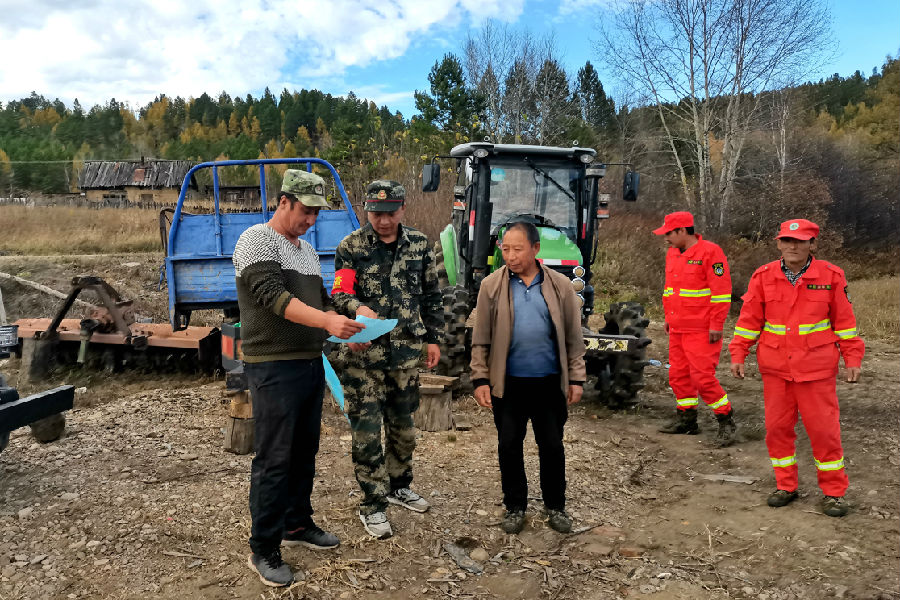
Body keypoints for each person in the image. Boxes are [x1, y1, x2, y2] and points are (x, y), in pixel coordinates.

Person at [233, 169, 364, 587]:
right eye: (306, 211)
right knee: (274, 458)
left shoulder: (306, 251)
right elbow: (274, 298)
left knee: (304, 450)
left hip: (309, 362)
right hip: (273, 365)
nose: (311, 220)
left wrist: (351, 325)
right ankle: (263, 548)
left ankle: (296, 524)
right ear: (284, 201)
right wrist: (327, 321)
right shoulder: (256, 240)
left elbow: (320, 301)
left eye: (316, 213)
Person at [330, 180, 443, 539]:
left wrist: (434, 339)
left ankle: (399, 486)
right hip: (363, 357)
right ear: (367, 210)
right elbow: (339, 293)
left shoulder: (419, 244)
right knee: (366, 435)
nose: (382, 220)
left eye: (390, 213)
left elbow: (432, 295)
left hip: (405, 355)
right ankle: (373, 504)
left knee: (404, 430)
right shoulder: (350, 246)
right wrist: (357, 309)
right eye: (376, 213)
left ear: (402, 209)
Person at [729, 218, 863, 517]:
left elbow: (844, 322)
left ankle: (834, 493)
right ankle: (785, 486)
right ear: (778, 243)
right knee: (777, 430)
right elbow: (749, 321)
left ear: (812, 244)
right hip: (776, 368)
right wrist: (738, 352)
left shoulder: (831, 276)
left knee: (824, 432)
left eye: (800, 241)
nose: (792, 246)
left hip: (816, 370)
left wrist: (852, 358)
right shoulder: (763, 276)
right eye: (787, 241)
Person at [470, 221, 586, 535]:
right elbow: (480, 338)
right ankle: (515, 506)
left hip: (549, 383)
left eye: (518, 249)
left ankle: (555, 506)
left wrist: (576, 379)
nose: (511, 256)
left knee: (552, 445)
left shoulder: (560, 286)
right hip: (508, 384)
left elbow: (574, 338)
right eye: (506, 249)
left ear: (535, 249)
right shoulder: (491, 286)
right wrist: (480, 379)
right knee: (509, 445)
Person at [653, 211, 737, 446]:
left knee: (702, 378)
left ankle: (726, 420)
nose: (666, 238)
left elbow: (721, 293)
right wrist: (669, 317)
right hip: (678, 327)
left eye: (669, 233)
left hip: (702, 329)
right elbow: (671, 289)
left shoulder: (711, 252)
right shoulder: (673, 253)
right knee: (678, 375)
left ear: (682, 230)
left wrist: (716, 324)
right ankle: (687, 420)